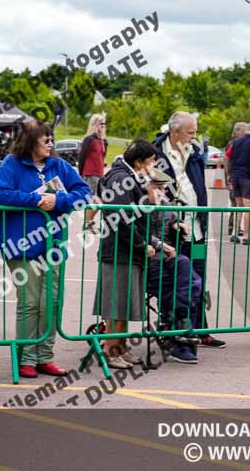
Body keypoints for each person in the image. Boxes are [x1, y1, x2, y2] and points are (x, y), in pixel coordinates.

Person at [0, 121, 90, 378]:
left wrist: (59, 200)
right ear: (30, 141)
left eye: (51, 139)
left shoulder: (59, 165)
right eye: (45, 140)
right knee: (30, 302)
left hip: (54, 245)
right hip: (22, 246)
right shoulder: (11, 164)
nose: (50, 144)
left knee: (52, 302)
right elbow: (0, 195)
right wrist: (37, 200)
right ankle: (26, 358)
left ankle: (45, 356)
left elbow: (84, 193)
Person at [153, 112, 225, 349]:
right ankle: (171, 330)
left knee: (198, 277)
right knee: (174, 280)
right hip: (171, 227)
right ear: (175, 132)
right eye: (191, 132)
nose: (195, 137)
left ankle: (199, 327)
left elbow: (198, 186)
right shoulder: (156, 154)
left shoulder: (194, 154)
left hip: (196, 227)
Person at [93, 140, 160, 369]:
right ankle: (111, 351)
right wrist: (142, 245)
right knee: (116, 306)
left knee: (122, 304)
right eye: (151, 162)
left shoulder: (127, 176)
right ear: (139, 161)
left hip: (126, 251)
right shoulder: (121, 178)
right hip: (119, 252)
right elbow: (123, 219)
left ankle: (120, 348)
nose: (153, 166)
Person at [144, 169, 204, 364]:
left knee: (194, 283)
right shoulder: (138, 205)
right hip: (149, 261)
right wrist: (160, 245)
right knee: (185, 280)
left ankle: (180, 334)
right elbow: (138, 233)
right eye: (156, 187)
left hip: (169, 260)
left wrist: (178, 224)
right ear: (145, 186)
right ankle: (182, 335)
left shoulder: (165, 204)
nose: (161, 192)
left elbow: (171, 219)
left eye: (163, 187)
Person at [225, 122, 250, 245]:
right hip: (247, 177)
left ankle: (235, 234)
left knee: (238, 206)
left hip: (235, 176)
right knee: (248, 206)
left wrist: (228, 174)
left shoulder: (236, 142)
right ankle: (246, 236)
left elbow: (226, 157)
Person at [79, 113, 108, 230]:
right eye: (100, 123)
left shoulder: (104, 141)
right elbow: (82, 157)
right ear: (94, 124)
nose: (103, 126)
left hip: (100, 173)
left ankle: (88, 221)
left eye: (104, 123)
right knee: (95, 199)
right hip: (90, 173)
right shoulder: (89, 139)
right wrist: (80, 174)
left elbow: (102, 158)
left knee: (100, 199)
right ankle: (87, 222)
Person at [224, 122, 248, 236]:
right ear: (238, 131)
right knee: (236, 203)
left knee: (236, 203)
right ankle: (234, 227)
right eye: (245, 130)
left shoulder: (236, 143)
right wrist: (228, 179)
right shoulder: (233, 144)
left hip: (234, 177)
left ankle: (234, 227)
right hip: (234, 178)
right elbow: (227, 161)